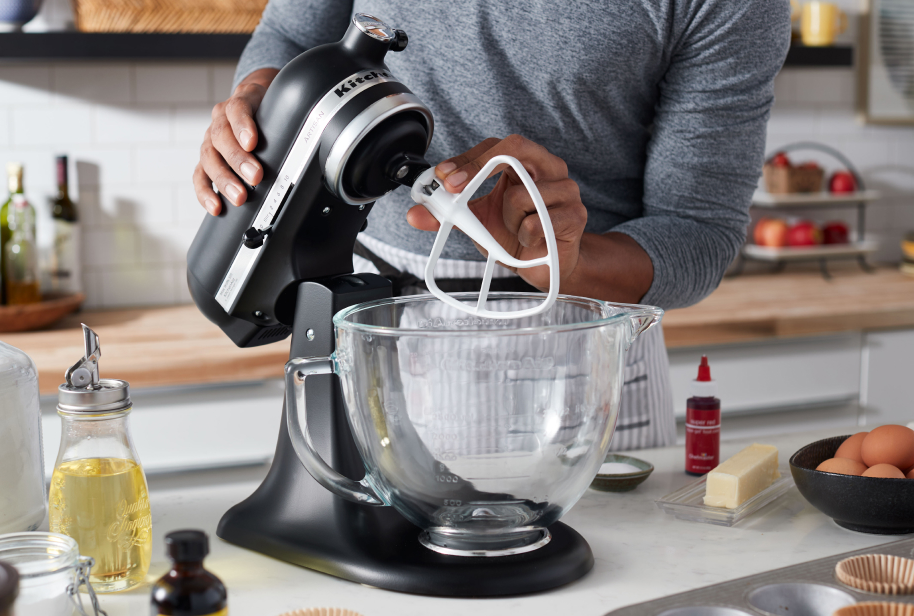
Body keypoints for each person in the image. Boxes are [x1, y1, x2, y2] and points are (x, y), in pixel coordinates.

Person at [193, 1, 791, 451]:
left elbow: (698, 231)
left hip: (583, 339)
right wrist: (258, 100)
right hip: (373, 313)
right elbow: (292, 35)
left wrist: (563, 261)